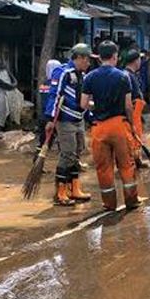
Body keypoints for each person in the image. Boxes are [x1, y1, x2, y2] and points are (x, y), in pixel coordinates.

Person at [80, 40, 141, 211]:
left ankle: (109, 204)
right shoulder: (123, 76)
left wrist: (97, 104)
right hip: (119, 126)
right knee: (126, 165)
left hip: (99, 128)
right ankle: (131, 201)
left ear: (99, 57)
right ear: (115, 56)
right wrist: (132, 125)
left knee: (103, 167)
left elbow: (83, 104)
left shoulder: (90, 77)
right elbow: (128, 106)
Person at [44, 44, 93, 206]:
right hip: (65, 120)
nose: (88, 63)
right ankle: (60, 192)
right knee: (67, 154)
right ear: (79, 58)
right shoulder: (63, 72)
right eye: (86, 60)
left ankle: (75, 188)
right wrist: (50, 119)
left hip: (79, 119)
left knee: (78, 152)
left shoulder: (82, 75)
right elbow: (54, 95)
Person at [123, 50, 147, 168]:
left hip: (137, 110)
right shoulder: (127, 76)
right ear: (136, 61)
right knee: (133, 136)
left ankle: (137, 159)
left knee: (136, 135)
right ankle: (133, 161)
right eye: (139, 59)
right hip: (132, 109)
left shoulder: (130, 74)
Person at [36, 59, 63, 157]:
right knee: (63, 142)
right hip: (54, 117)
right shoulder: (56, 85)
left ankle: (37, 162)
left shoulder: (43, 84)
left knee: (43, 142)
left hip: (44, 116)